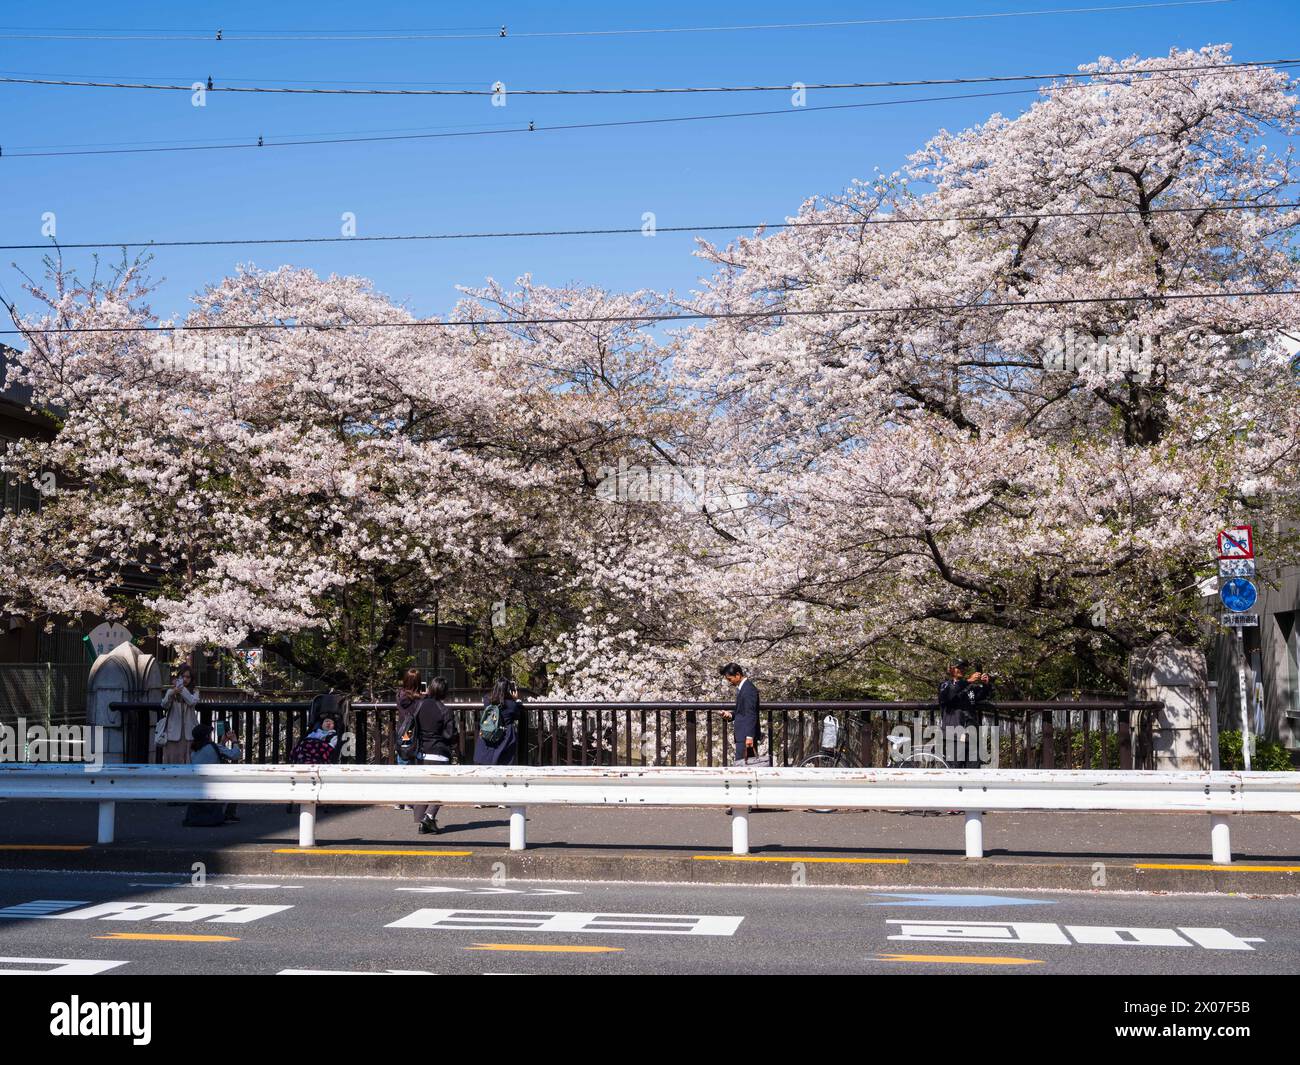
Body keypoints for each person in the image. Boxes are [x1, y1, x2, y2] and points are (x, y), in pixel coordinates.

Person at [406, 677, 459, 834]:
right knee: (441, 789)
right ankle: (428, 817)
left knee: (424, 788)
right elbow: (450, 735)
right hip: (439, 754)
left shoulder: (420, 705)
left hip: (421, 753)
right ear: (444, 692)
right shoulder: (444, 710)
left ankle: (423, 820)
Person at [183, 723, 242, 827]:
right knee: (236, 784)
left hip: (198, 785)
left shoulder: (193, 750)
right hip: (215, 785)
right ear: (207, 736)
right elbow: (235, 754)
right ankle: (229, 815)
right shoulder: (214, 746)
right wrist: (234, 741)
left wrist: (222, 742)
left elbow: (212, 754)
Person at [472, 678, 521, 766]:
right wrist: (515, 700)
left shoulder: (487, 700)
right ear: (508, 690)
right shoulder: (512, 705)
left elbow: (489, 698)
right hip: (506, 737)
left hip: (489, 733)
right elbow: (517, 715)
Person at [720, 663, 762, 763]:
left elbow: (751, 713)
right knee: (744, 765)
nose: (730, 682)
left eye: (730, 679)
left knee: (743, 766)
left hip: (745, 736)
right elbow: (742, 711)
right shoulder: (744, 688)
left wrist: (749, 736)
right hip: (743, 735)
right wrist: (730, 715)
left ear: (738, 675)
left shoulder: (748, 689)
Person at [158, 666, 200, 765]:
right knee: (171, 762)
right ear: (179, 678)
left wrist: (181, 690)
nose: (185, 679)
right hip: (172, 733)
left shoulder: (195, 692)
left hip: (188, 733)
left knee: (187, 761)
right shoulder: (171, 691)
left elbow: (191, 702)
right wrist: (173, 693)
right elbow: (164, 705)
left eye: (188, 677)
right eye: (183, 676)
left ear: (191, 679)